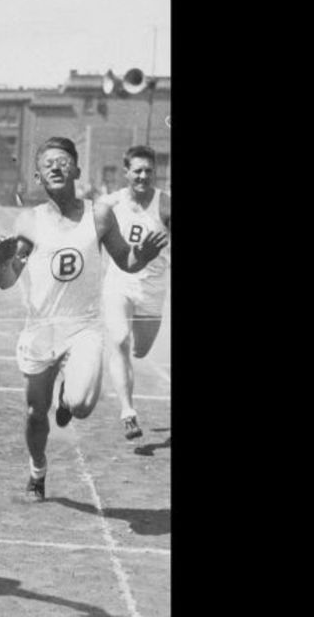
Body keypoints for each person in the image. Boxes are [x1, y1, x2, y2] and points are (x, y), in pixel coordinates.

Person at [0, 137, 167, 502]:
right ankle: (37, 472)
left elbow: (127, 261)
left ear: (76, 169)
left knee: (83, 405)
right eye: (48, 163)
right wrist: (2, 261)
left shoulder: (99, 214)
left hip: (83, 325)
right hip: (41, 328)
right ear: (38, 176)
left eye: (63, 161)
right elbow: (7, 280)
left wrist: (143, 255)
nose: (56, 167)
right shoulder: (30, 220)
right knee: (34, 414)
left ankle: (68, 399)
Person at [100, 145, 171, 439]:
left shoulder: (165, 205)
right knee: (119, 340)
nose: (143, 176)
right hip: (119, 284)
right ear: (126, 172)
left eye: (148, 171)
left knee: (140, 350)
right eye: (137, 171)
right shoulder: (109, 203)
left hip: (152, 288)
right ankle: (128, 411)